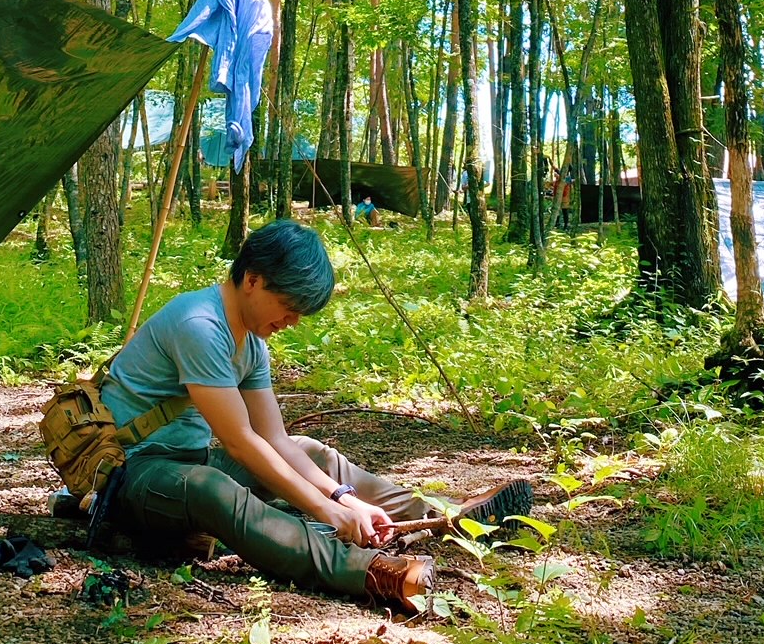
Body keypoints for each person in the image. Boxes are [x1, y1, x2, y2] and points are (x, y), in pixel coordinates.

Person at [97, 220, 530, 613]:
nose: (293, 320)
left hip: (186, 463)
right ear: (252, 280)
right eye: (288, 306)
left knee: (311, 452)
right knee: (213, 487)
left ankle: (443, 515)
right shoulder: (199, 324)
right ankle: (368, 570)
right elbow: (240, 443)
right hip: (134, 476)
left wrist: (343, 498)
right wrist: (326, 511)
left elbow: (277, 440)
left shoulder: (250, 343)